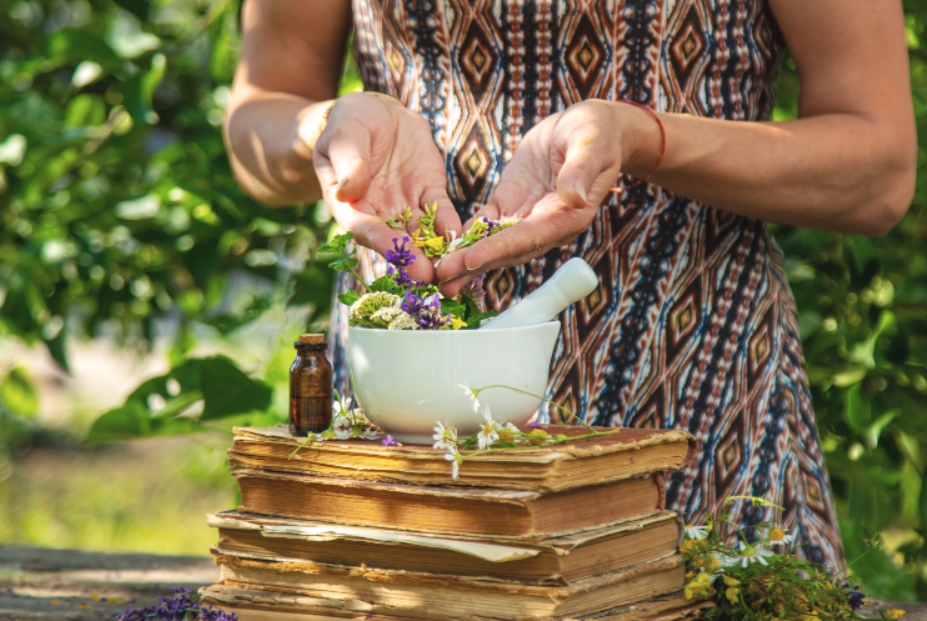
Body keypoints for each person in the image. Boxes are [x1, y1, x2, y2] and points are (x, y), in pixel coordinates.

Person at [223, 0, 916, 570]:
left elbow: (878, 171)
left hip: (692, 389)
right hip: (407, 401)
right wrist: (325, 129)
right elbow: (258, 124)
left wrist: (644, 137)